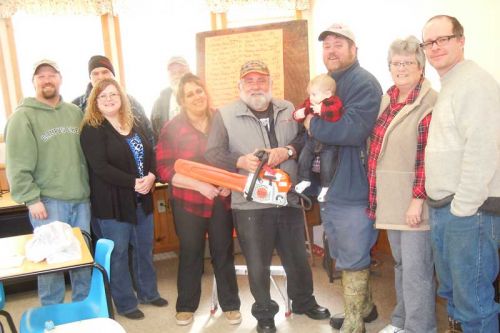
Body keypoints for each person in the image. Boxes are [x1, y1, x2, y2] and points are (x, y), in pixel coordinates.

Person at [205, 60, 330, 333]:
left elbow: (304, 140)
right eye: (249, 81)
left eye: (261, 80)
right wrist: (239, 160)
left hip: (288, 197)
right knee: (257, 261)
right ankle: (264, 314)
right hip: (250, 202)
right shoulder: (224, 115)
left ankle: (304, 302)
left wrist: (287, 151)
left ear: (271, 84)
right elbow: (212, 152)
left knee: (297, 255)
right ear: (240, 86)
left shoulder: (289, 109)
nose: (256, 86)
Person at [422, 15, 500, 333]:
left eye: (444, 39)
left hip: (470, 212)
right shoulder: (452, 84)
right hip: (449, 209)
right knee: (453, 295)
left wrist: (463, 209)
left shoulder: (475, 83)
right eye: (429, 42)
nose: (435, 47)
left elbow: (483, 150)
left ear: (461, 40)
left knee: (474, 304)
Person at [304, 24, 383, 332]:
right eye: (327, 46)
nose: (332, 50)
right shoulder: (325, 84)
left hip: (354, 187)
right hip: (332, 188)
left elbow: (351, 131)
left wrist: (312, 124)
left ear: (354, 49)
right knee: (344, 250)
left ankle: (354, 324)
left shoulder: (363, 82)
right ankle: (366, 308)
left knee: (352, 253)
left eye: (339, 44)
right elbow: (309, 130)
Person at [156, 73, 241, 326]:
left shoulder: (222, 120)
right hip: (188, 201)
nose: (197, 96)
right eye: (190, 94)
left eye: (199, 91)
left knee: (223, 252)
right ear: (182, 100)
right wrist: (199, 185)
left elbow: (234, 155)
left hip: (221, 199)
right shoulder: (172, 128)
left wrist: (229, 184)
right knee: (191, 253)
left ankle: (231, 304)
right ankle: (186, 306)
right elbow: (164, 169)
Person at [5, 59, 91, 305]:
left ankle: (83, 309)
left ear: (60, 79)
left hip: (81, 200)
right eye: (40, 76)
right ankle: (52, 314)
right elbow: (17, 162)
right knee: (50, 263)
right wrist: (31, 199)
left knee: (82, 260)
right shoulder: (23, 117)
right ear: (33, 82)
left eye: (51, 74)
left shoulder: (74, 113)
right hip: (48, 202)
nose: (46, 79)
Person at [80, 78, 167, 320]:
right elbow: (100, 167)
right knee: (118, 254)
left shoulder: (133, 122)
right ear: (95, 101)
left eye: (113, 95)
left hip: (142, 198)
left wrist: (151, 176)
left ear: (122, 98)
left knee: (144, 248)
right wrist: (133, 182)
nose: (109, 99)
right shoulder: (92, 128)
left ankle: (149, 293)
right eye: (103, 96)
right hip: (113, 203)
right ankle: (126, 303)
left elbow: (150, 152)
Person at [367, 36, 437, 333]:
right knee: (401, 266)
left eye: (408, 62)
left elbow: (428, 155)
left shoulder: (429, 102)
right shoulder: (388, 98)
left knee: (417, 271)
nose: (402, 67)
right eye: (396, 63)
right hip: (390, 199)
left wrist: (417, 199)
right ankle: (401, 321)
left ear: (421, 67)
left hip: (412, 202)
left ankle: (420, 327)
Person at [72, 55, 154, 146]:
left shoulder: (131, 102)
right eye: (95, 73)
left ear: (113, 75)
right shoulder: (77, 106)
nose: (101, 77)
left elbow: (149, 135)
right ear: (90, 77)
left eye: (105, 72)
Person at [293, 74, 343, 202]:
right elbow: (302, 111)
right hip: (312, 141)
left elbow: (336, 113)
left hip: (328, 144)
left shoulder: (333, 102)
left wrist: (322, 110)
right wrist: (298, 114)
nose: (310, 98)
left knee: (327, 166)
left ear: (327, 94)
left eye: (314, 94)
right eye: (310, 94)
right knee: (303, 158)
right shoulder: (311, 102)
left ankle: (326, 187)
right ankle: (304, 179)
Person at [150, 56, 191, 140]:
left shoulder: (199, 99)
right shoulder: (158, 104)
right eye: (173, 73)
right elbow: (153, 137)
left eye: (181, 72)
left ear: (189, 74)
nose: (177, 76)